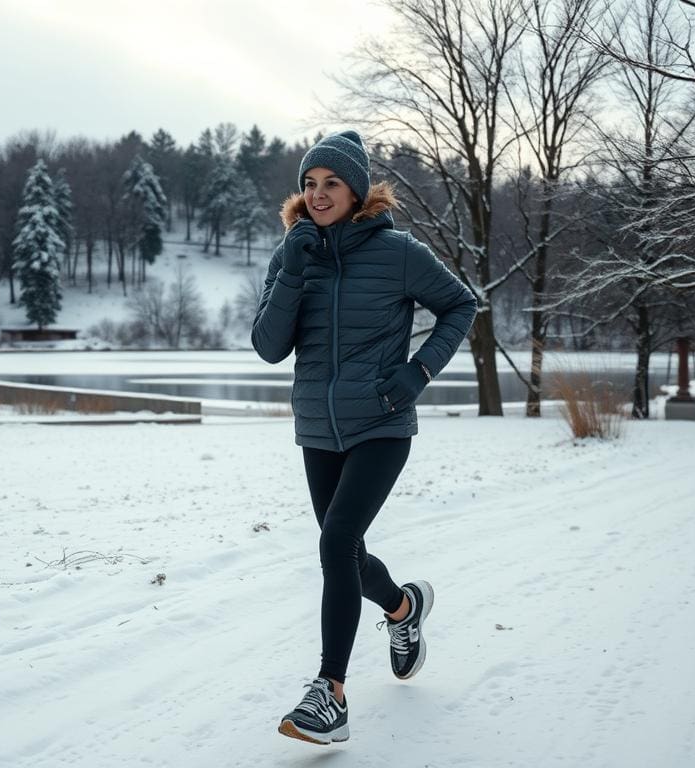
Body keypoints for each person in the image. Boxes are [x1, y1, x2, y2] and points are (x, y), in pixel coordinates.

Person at [251, 130, 477, 745]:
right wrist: (294, 268)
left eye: (331, 183)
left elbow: (462, 305)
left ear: (356, 190)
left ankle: (331, 694)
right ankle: (403, 607)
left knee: (337, 542)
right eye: (308, 184)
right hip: (318, 429)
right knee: (342, 549)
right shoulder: (291, 253)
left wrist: (418, 371)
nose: (318, 195)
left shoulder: (398, 251)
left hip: (381, 420)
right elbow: (270, 347)